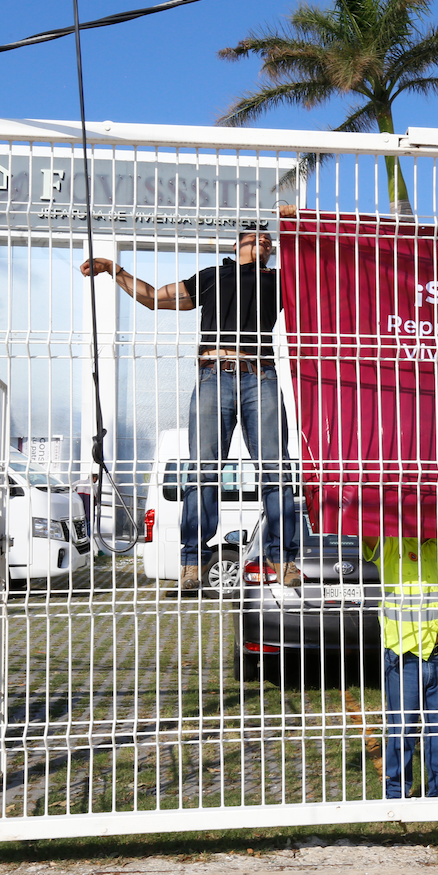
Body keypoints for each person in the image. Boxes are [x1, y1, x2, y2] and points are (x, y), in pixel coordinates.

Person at [80, 209, 299, 592]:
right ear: (238, 244)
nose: (265, 241)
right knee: (202, 471)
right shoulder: (214, 276)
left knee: (276, 470)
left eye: (269, 239)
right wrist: (115, 270)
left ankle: (283, 560)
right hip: (213, 375)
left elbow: (325, 273)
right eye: (256, 236)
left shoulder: (282, 281)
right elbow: (154, 299)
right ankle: (192, 564)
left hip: (260, 376)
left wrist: (298, 223)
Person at [364, 535, 438, 798]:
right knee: (401, 729)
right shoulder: (391, 544)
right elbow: (365, 526)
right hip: (404, 654)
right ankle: (396, 793)